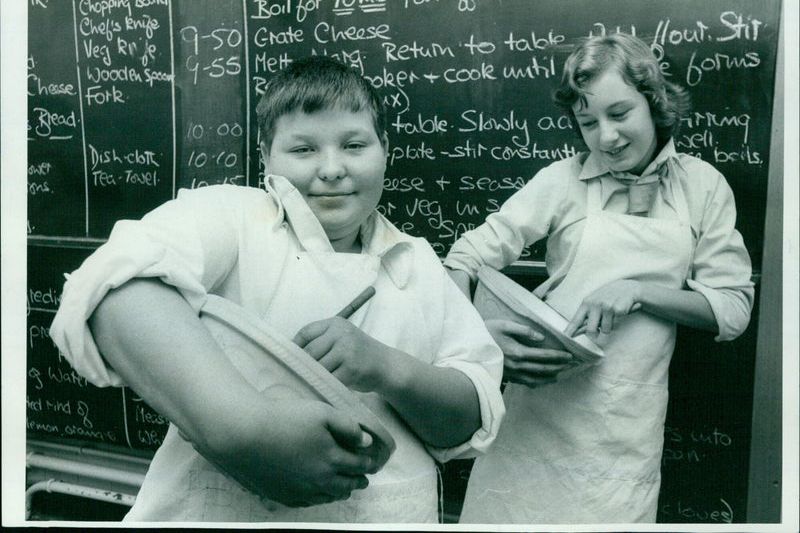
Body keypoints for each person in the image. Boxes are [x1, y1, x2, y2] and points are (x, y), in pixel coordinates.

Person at [49, 56, 505, 523]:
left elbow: (470, 419)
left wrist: (383, 366)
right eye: (303, 150)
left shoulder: (419, 260)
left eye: (353, 145)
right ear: (266, 155)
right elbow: (111, 287)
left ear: (384, 148)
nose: (331, 168)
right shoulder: (232, 216)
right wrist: (247, 433)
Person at [444, 33, 754, 524]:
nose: (605, 136)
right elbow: (463, 259)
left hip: (625, 430)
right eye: (588, 123)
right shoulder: (561, 181)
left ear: (654, 101)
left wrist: (638, 293)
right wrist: (474, 335)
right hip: (535, 419)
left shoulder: (702, 186)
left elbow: (733, 310)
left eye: (620, 113)